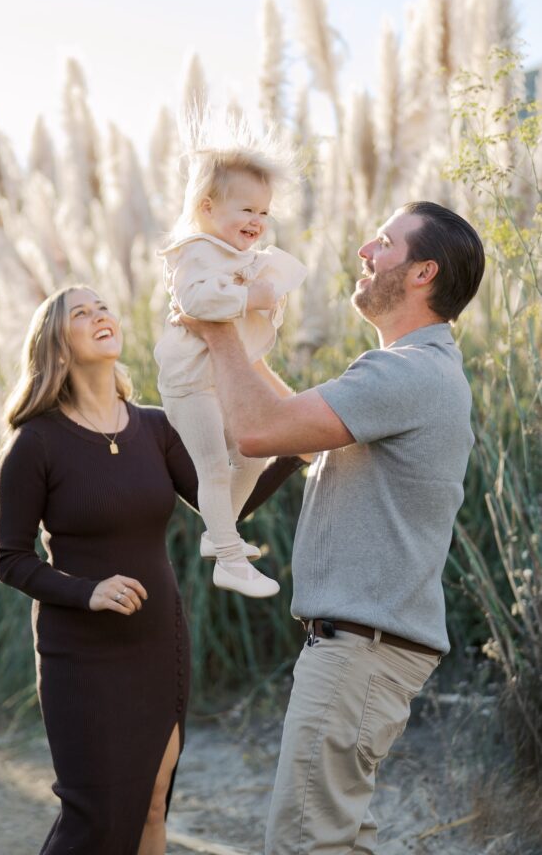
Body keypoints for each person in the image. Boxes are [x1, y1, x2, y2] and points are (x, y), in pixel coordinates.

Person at [178, 201, 485, 853]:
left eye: (383, 243)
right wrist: (231, 333)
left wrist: (219, 331)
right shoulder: (417, 374)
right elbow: (294, 424)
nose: (363, 253)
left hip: (360, 652)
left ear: (423, 271)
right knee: (334, 840)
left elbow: (260, 430)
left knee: (305, 844)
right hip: (365, 650)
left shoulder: (406, 372)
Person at [0, 283, 304, 855]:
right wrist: (88, 592)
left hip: (159, 642)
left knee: (153, 805)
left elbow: (222, 510)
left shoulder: (156, 428)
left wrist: (290, 457)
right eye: (80, 313)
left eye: (102, 306)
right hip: (80, 651)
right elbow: (9, 559)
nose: (99, 315)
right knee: (96, 817)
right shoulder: (34, 444)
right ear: (55, 345)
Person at [154, 145, 306, 598]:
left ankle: (220, 532)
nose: (257, 221)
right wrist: (251, 297)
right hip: (189, 384)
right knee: (214, 467)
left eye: (264, 211)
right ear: (206, 207)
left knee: (255, 454)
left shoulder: (233, 254)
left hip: (217, 380)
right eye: (246, 209)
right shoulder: (195, 252)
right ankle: (229, 561)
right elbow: (195, 303)